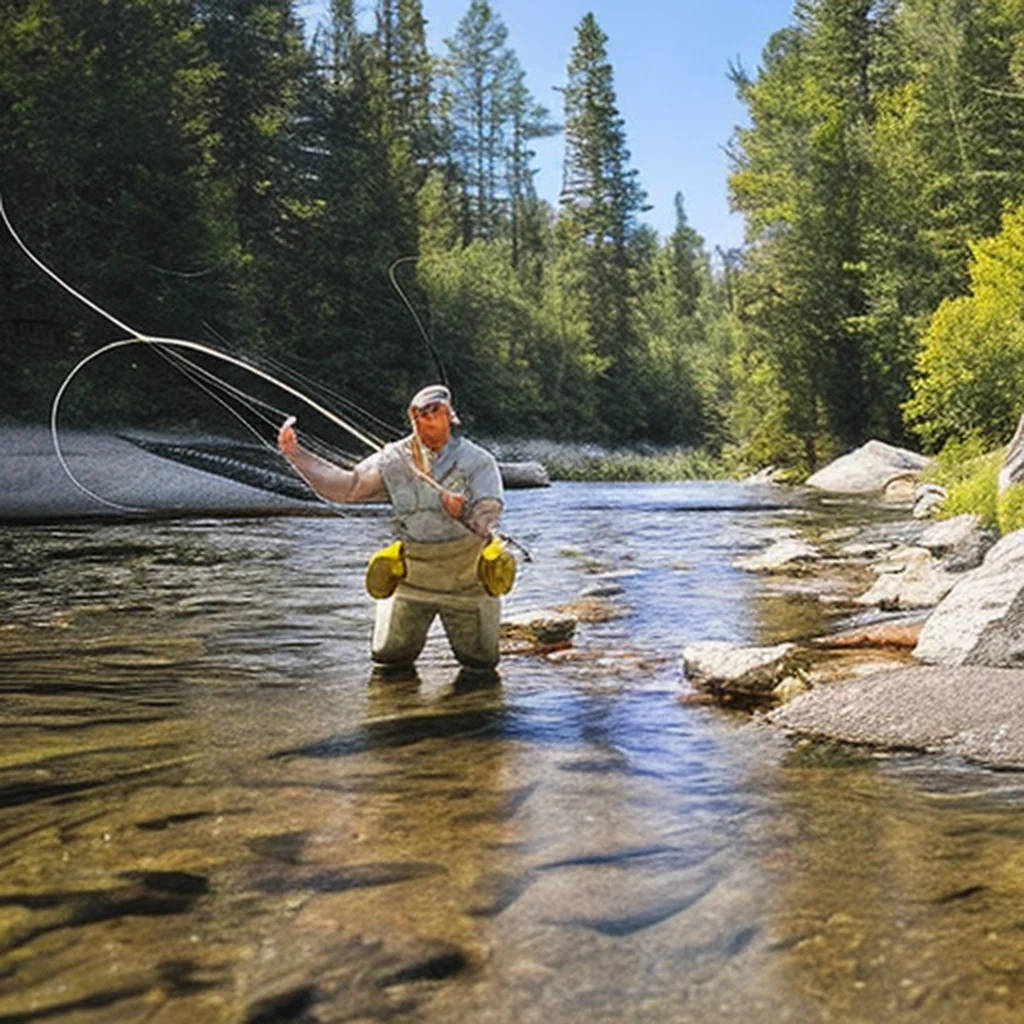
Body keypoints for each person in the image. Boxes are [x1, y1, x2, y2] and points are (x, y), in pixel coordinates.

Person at [277, 384, 505, 672]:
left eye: (434, 412)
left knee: (480, 663)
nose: (426, 419)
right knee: (388, 657)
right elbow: (348, 487)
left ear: (449, 416)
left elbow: (490, 513)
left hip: (467, 575)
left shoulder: (478, 461)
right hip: (413, 572)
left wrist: (466, 513)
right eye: (419, 414)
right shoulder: (394, 458)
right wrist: (297, 455)